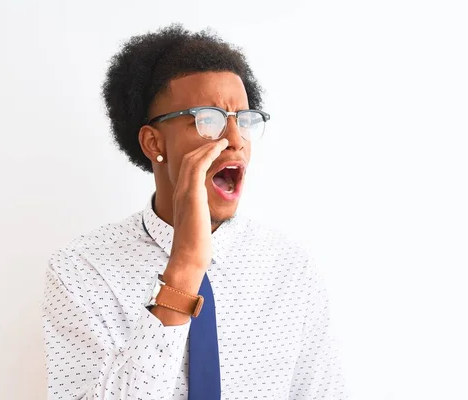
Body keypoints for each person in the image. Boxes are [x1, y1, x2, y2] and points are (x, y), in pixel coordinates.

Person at [42, 24, 346, 399]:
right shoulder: (83, 269)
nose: (235, 140)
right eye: (208, 120)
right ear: (154, 142)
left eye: (244, 120)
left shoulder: (290, 270)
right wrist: (184, 268)